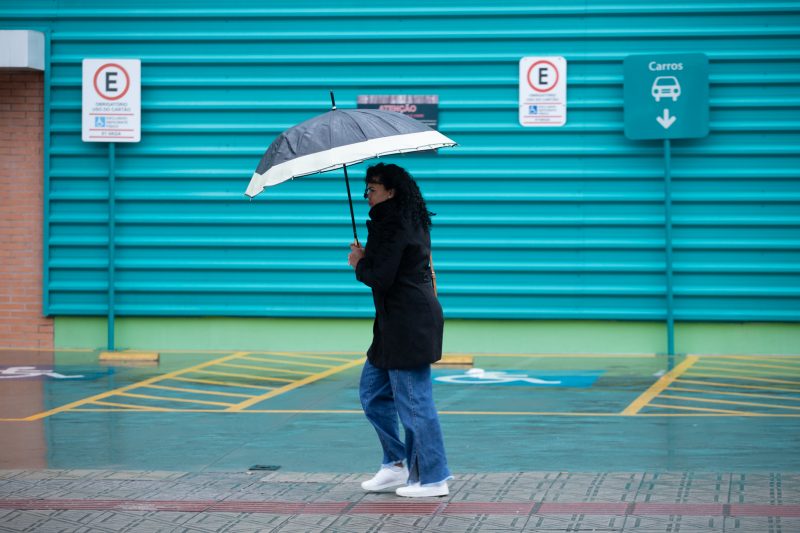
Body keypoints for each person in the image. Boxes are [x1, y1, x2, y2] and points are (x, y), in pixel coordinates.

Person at [347, 162, 451, 498]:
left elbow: (381, 276)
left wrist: (359, 262)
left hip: (408, 324)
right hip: (395, 325)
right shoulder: (403, 218)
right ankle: (395, 464)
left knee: (414, 403)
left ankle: (433, 478)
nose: (367, 196)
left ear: (391, 191)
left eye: (372, 189)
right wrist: (367, 256)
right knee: (373, 395)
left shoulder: (391, 222)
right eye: (365, 190)